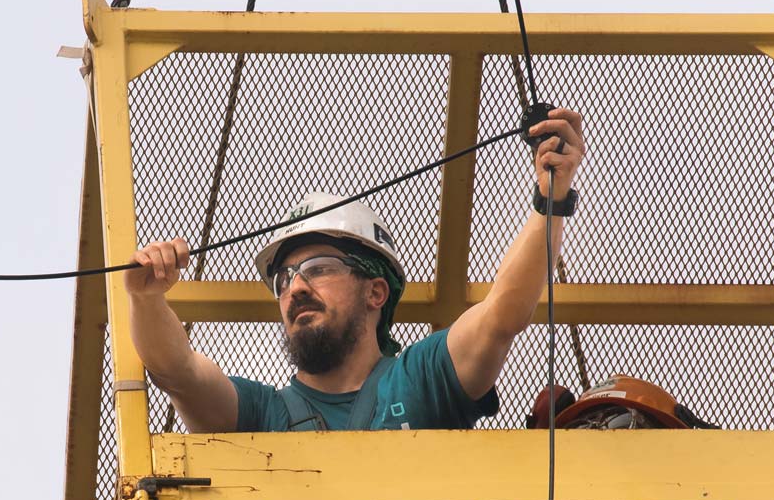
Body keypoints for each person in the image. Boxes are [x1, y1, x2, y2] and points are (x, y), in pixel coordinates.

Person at [124, 107, 586, 433]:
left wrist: (551, 200)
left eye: (319, 268)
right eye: (284, 279)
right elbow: (177, 372)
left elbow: (503, 312)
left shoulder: (421, 377)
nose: (296, 288)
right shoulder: (264, 414)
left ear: (376, 292)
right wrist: (146, 298)